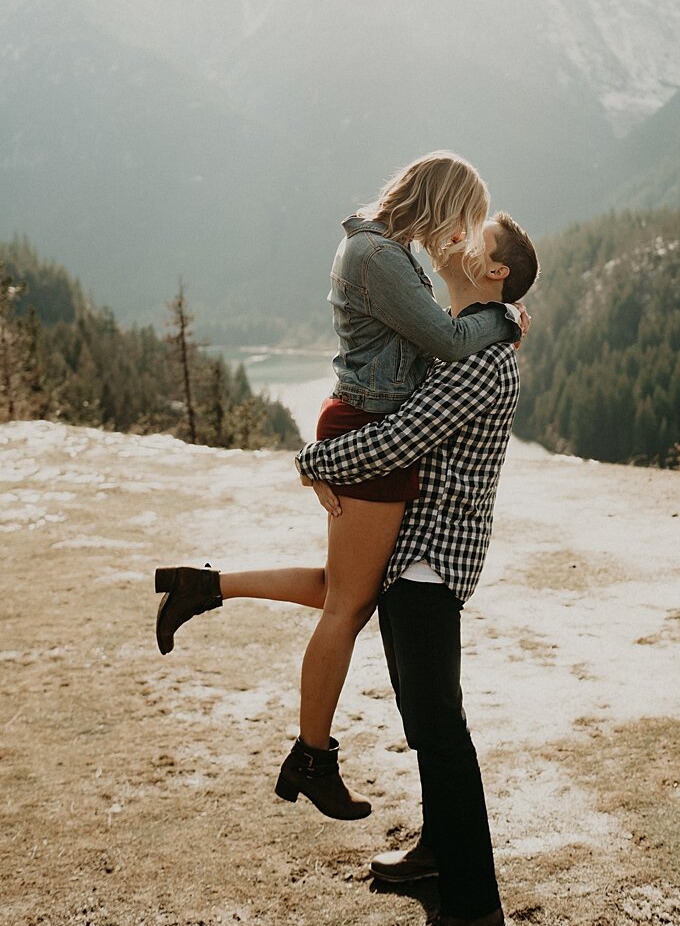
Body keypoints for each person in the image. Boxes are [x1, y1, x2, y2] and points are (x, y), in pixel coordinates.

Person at [154, 152, 523, 820]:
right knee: (348, 605)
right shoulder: (379, 256)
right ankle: (310, 755)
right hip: (372, 431)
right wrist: (504, 320)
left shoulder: (384, 250)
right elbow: (443, 337)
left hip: (369, 422)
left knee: (340, 587)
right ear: (442, 203)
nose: (461, 236)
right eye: (463, 219)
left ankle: (205, 586)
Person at [295, 211, 539, 926]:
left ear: (495, 272)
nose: (459, 242)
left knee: (440, 724)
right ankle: (440, 847)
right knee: (423, 716)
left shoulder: (478, 358)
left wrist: (314, 459)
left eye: (477, 240)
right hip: (416, 555)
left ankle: (474, 911)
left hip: (432, 556)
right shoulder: (471, 336)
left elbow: (402, 438)